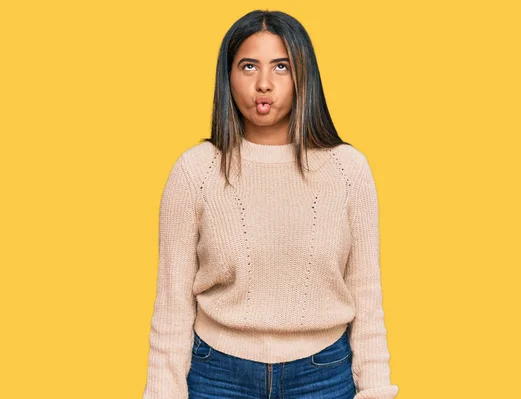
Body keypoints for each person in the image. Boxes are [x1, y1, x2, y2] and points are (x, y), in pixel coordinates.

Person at [142, 9, 399, 399]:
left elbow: (366, 298)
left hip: (323, 375)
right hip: (217, 376)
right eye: (248, 66)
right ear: (227, 77)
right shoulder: (194, 172)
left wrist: (377, 390)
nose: (264, 83)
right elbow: (172, 307)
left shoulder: (348, 170)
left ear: (302, 78)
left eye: (281, 66)